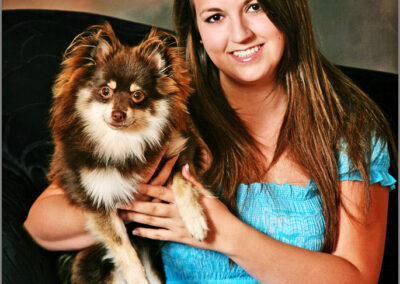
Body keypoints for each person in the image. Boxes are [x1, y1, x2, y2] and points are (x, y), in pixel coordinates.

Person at [24, 0, 397, 283]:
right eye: (215, 16)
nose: (240, 35)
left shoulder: (351, 129)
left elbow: (358, 278)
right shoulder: (161, 117)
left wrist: (228, 235)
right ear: (197, 31)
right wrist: (134, 195)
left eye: (253, 6)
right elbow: (40, 225)